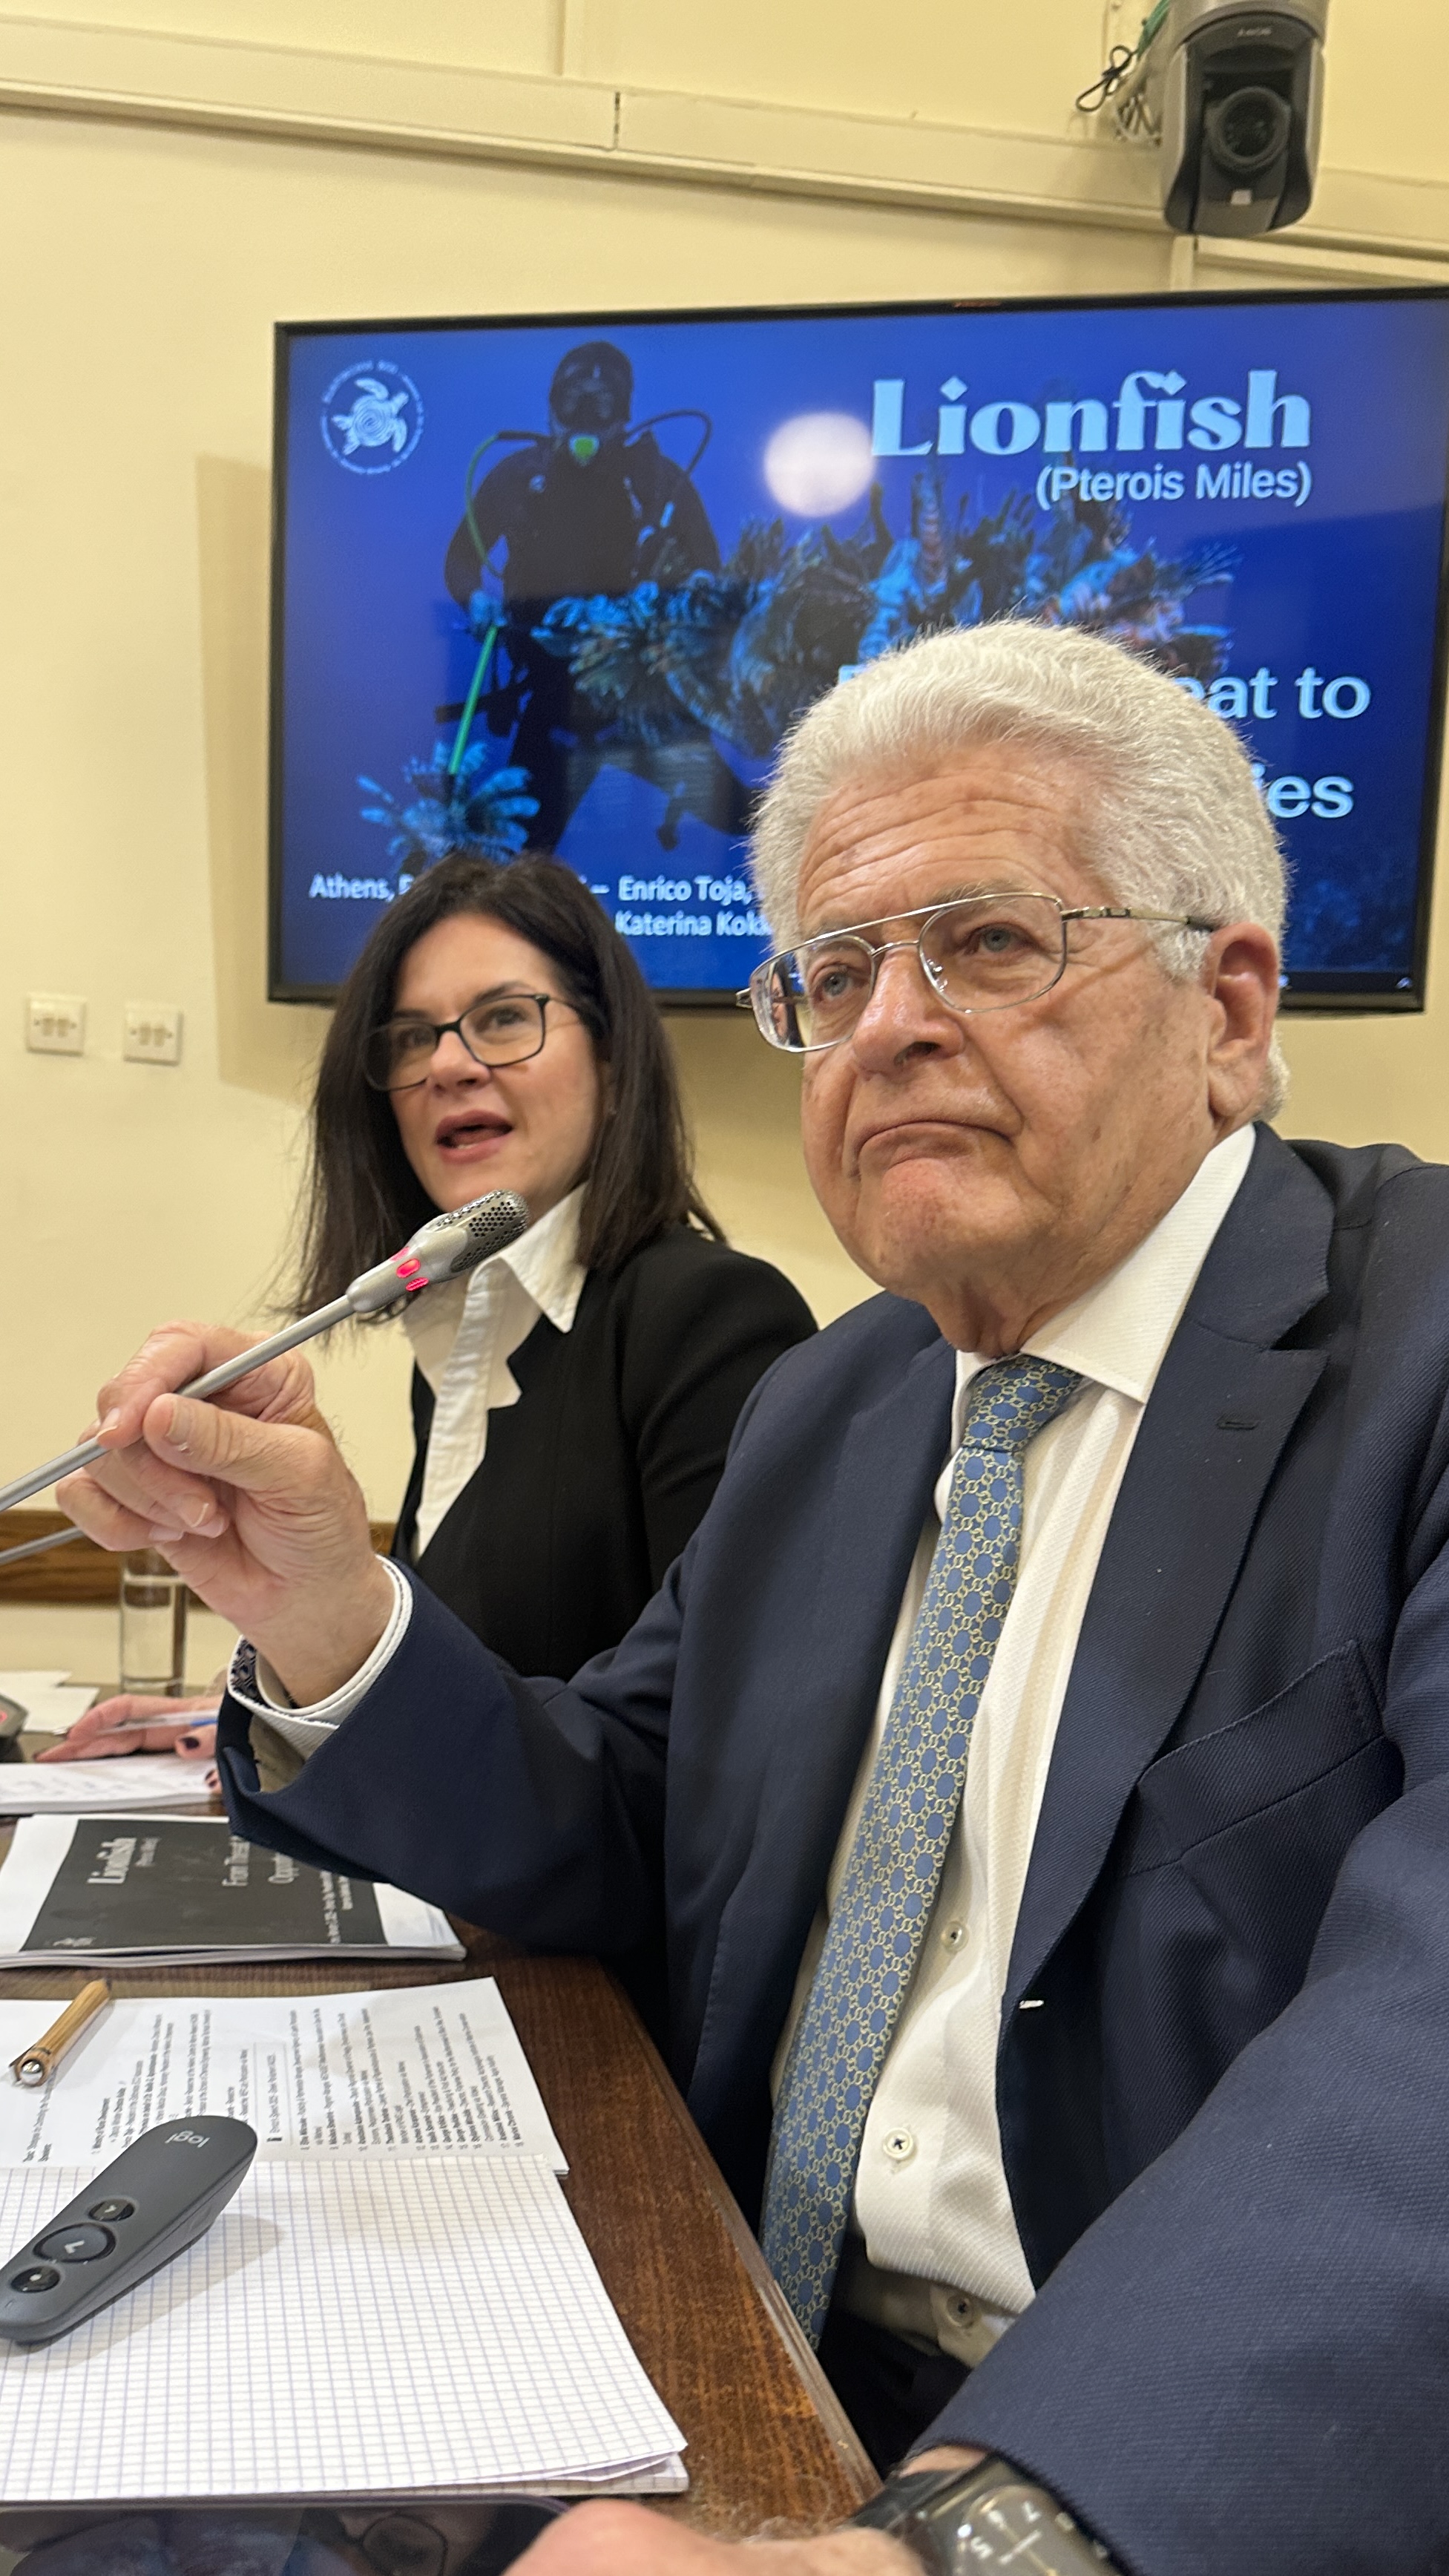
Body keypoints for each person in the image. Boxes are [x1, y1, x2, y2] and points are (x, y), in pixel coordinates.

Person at [59, 621, 1449, 2575]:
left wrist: (974, 2538)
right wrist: (320, 1600)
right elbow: (619, 1812)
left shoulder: (1414, 1346)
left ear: (1227, 1006)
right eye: (834, 973)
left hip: (1134, 2454)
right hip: (712, 2341)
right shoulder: (839, 1398)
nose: (888, 1028)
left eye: (987, 941)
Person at [51, 856, 814, 1806]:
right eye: (413, 1038)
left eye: (505, 1019)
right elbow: (467, 1677)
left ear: (614, 1066)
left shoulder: (710, 1318)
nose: (448, 1066)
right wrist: (295, 1701)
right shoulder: (465, 1337)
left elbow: (703, 1773)